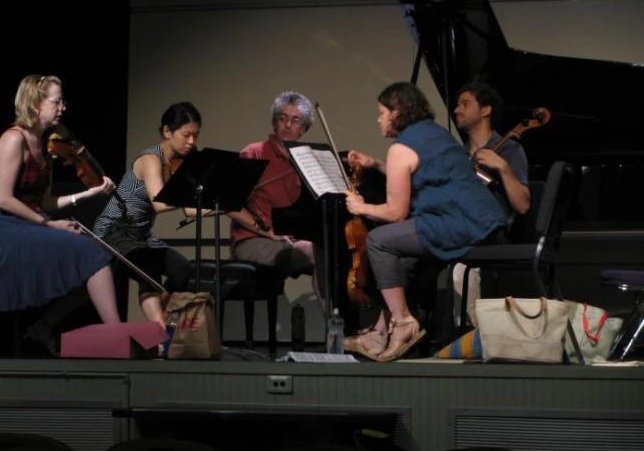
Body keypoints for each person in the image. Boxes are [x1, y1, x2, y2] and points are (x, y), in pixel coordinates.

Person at [342, 82, 505, 362]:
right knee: (402, 258)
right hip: (484, 220)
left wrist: (361, 206)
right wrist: (374, 163)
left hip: (460, 225)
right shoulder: (433, 133)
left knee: (380, 241)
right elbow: (418, 166)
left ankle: (404, 322)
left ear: (396, 112)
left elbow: (395, 213)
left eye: (381, 112)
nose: (378, 118)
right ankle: (381, 331)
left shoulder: (401, 148)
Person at [0, 74, 122, 356]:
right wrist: (50, 226)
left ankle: (45, 325)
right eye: (57, 100)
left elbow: (47, 201)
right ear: (35, 104)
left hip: (31, 222)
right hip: (4, 226)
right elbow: (4, 199)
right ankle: (117, 337)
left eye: (62, 100)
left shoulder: (46, 147)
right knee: (89, 253)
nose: (63, 106)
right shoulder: (13, 139)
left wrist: (89, 193)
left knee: (99, 253)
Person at [92, 102, 201, 327]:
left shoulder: (179, 162)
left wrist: (223, 206)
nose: (192, 142)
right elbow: (160, 203)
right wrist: (189, 196)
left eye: (196, 136)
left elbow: (190, 209)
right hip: (114, 229)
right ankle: (161, 335)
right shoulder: (152, 159)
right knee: (149, 272)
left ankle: (161, 321)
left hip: (139, 233)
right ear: (167, 132)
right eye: (186, 135)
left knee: (182, 269)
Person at [227, 91, 325, 311]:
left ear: (304, 128)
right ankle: (336, 333)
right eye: (282, 118)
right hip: (252, 241)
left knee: (334, 254)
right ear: (274, 122)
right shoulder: (254, 153)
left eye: (296, 120)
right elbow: (229, 204)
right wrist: (268, 230)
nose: (288, 124)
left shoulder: (306, 160)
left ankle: (348, 333)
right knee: (314, 252)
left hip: (290, 240)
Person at [452, 81, 530, 326]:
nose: (456, 110)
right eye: (457, 104)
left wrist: (503, 168)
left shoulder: (509, 150)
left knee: (457, 270)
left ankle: (474, 335)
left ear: (485, 110)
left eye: (465, 104)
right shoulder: (457, 155)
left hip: (490, 234)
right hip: (455, 230)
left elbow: (523, 205)